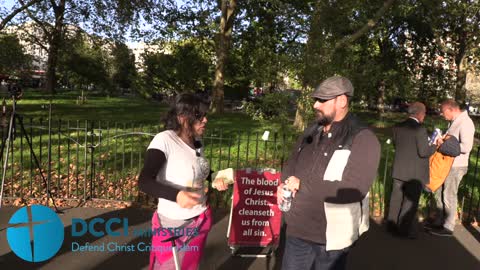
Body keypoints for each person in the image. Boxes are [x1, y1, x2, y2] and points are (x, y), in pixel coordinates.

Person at [277, 76, 381, 270]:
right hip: (297, 230)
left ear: (341, 101)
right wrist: (282, 184)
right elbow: (293, 161)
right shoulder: (312, 130)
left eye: (322, 100)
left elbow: (355, 188)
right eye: (316, 99)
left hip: (331, 239)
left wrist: (302, 186)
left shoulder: (363, 137)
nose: (316, 105)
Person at [138, 93, 229, 270]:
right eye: (199, 116)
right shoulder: (164, 140)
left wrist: (214, 178)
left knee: (191, 266)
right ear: (182, 117)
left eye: (205, 115)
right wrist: (177, 195)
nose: (205, 120)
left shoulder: (197, 142)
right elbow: (144, 181)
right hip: (174, 224)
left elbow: (200, 170)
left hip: (200, 220)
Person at [386, 102, 436, 239]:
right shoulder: (420, 129)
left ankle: (391, 226)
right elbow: (424, 152)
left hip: (399, 169)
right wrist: (435, 146)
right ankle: (403, 230)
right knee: (410, 202)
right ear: (419, 113)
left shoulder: (397, 127)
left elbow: (398, 145)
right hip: (414, 173)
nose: (425, 115)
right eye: (424, 112)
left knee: (396, 198)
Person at [426, 99, 475, 236]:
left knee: (449, 195)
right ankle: (439, 221)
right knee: (439, 192)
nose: (442, 115)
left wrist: (443, 144)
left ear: (450, 109)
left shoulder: (465, 123)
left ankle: (448, 227)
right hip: (445, 164)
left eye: (443, 112)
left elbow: (466, 147)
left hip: (456, 166)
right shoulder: (454, 121)